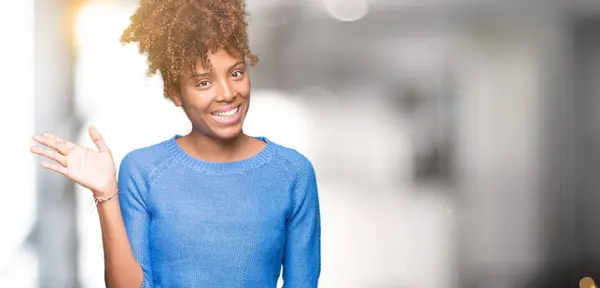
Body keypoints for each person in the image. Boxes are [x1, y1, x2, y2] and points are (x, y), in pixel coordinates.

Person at [29, 0, 321, 287]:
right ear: (175, 93)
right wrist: (106, 194)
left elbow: (303, 282)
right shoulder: (143, 170)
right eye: (203, 82)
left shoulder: (292, 173)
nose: (227, 93)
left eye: (236, 73)